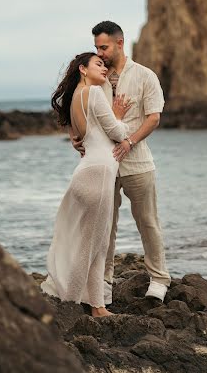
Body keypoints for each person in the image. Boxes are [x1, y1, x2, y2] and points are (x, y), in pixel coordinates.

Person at [72, 21, 171, 303]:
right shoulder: (95, 79)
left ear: (119, 42)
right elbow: (79, 108)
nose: (99, 53)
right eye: (96, 48)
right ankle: (103, 285)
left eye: (103, 47)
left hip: (138, 163)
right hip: (104, 166)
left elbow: (154, 117)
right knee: (105, 226)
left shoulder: (144, 76)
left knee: (148, 222)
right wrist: (76, 136)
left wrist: (129, 142)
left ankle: (160, 280)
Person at [41, 52, 132, 317]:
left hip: (86, 173)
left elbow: (83, 137)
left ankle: (97, 307)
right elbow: (116, 133)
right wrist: (119, 116)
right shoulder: (93, 94)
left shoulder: (73, 100)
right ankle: (69, 306)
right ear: (83, 69)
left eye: (104, 64)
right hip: (99, 174)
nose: (103, 69)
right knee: (92, 246)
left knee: (96, 244)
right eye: (98, 64)